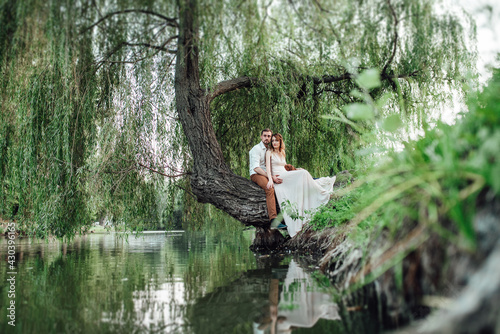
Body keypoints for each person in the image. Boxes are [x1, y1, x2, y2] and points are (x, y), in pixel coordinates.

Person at [265, 133, 336, 237]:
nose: (274, 142)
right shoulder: (269, 152)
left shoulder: (282, 152)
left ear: (280, 142)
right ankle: (320, 192)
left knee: (303, 172)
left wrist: (296, 169)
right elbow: (267, 168)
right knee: (303, 174)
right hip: (279, 178)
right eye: (273, 140)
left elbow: (284, 166)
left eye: (277, 140)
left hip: (286, 174)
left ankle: (317, 192)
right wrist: (271, 179)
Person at [249, 129, 284, 228]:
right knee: (270, 188)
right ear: (261, 137)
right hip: (257, 174)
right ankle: (273, 220)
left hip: (267, 174)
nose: (267, 138)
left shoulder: (269, 149)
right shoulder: (256, 149)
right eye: (265, 136)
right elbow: (256, 168)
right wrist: (270, 178)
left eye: (269, 136)